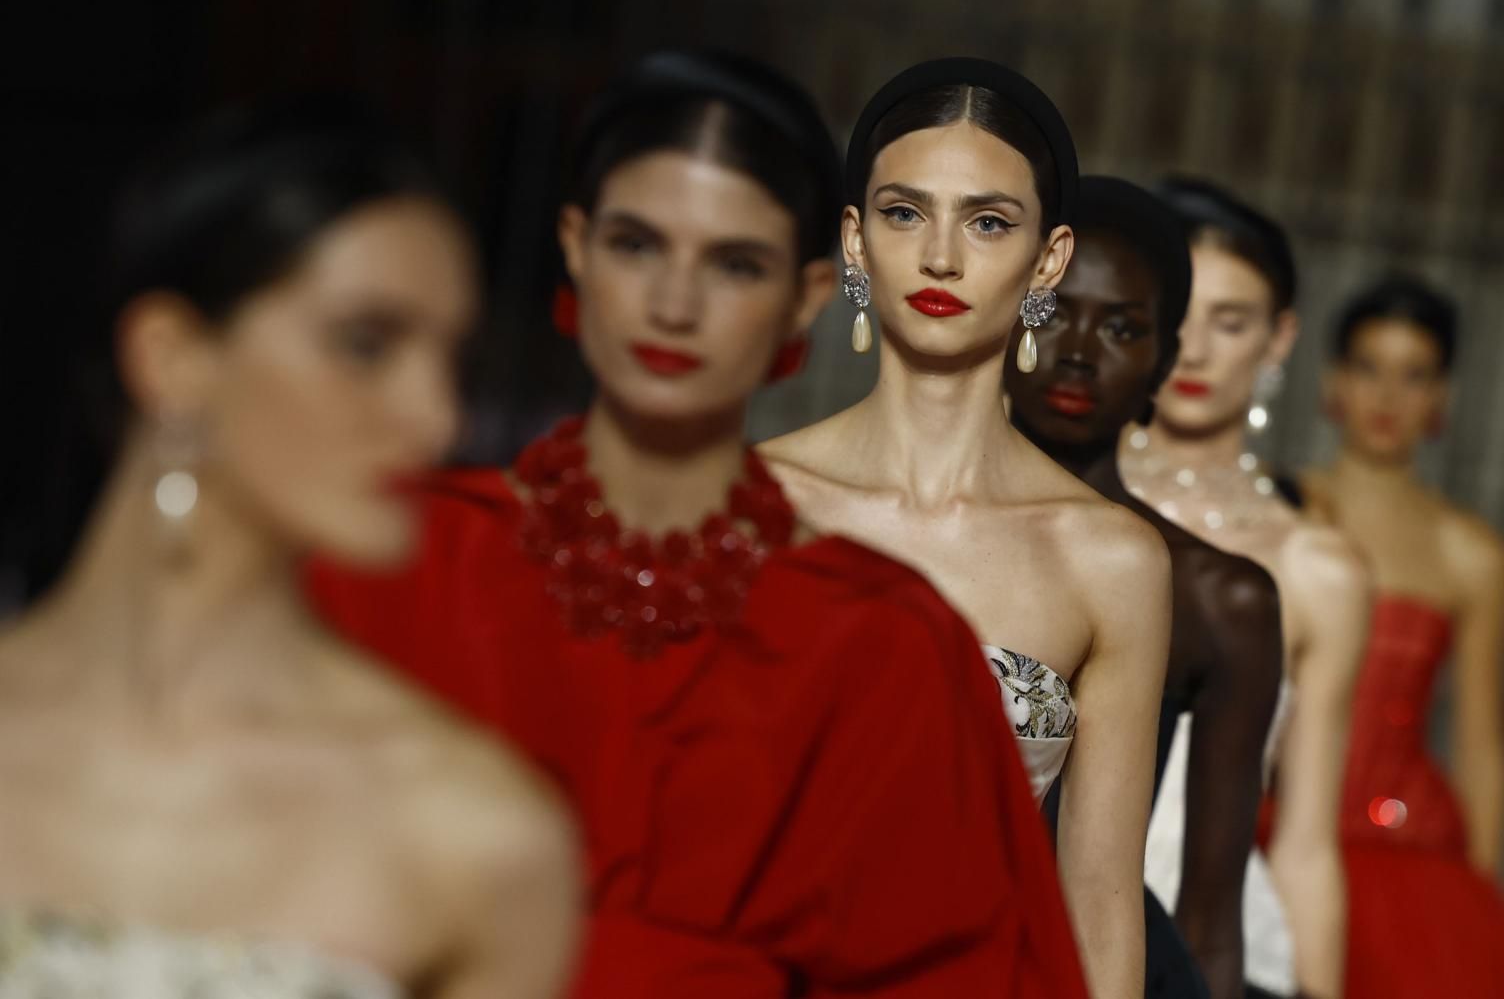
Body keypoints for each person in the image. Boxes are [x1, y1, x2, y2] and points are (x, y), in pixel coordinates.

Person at [308, 50, 1089, 998]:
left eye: (735, 263)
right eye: (636, 244)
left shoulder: (884, 645)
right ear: (575, 245)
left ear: (802, 295)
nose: (674, 305)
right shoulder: (392, 564)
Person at [0, 102, 580, 997]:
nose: (436, 418)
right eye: (367, 343)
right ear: (173, 356)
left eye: (450, 356)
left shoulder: (473, 836)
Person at [760, 59, 1169, 999]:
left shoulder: (1108, 559)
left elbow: (1101, 912)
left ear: (1049, 259)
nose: (942, 256)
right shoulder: (758, 507)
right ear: (855, 242)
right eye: (906, 213)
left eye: (988, 221)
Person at [1005, 176, 1283, 999]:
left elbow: (1211, 914)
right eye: (1056, 311)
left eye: (1123, 327)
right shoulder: (904, 534)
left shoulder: (1215, 597)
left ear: (1163, 362)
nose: (1082, 350)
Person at [1117, 178, 1370, 999]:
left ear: (1279, 337)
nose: (1195, 348)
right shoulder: (1056, 497)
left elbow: (1305, 843)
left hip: (1222, 954)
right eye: (1180, 310)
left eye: (1232, 322)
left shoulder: (1316, 567)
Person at [1298, 274, 1504, 997]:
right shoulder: (1284, 509)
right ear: (1334, 381)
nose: (1387, 397)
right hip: (1274, 826)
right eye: (1369, 367)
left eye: (1414, 375)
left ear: (1442, 398)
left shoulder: (1472, 554)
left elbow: (1481, 741)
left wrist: (1479, 904)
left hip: (1408, 854)